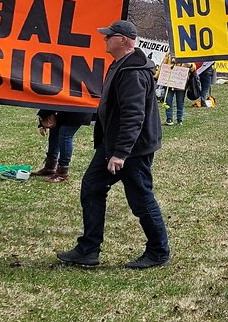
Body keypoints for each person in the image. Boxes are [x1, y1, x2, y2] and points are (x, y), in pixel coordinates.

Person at [58, 19, 169, 269]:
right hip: (113, 145)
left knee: (140, 198)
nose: (104, 39)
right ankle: (88, 249)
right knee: (91, 188)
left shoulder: (133, 72)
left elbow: (133, 114)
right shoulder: (119, 65)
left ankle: (158, 251)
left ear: (124, 41)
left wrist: (120, 153)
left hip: (131, 150)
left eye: (109, 36)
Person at [32, 109, 94, 183]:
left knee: (65, 134)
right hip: (64, 108)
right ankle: (50, 167)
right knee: (55, 129)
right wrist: (43, 118)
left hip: (78, 108)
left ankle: (62, 172)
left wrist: (44, 115)